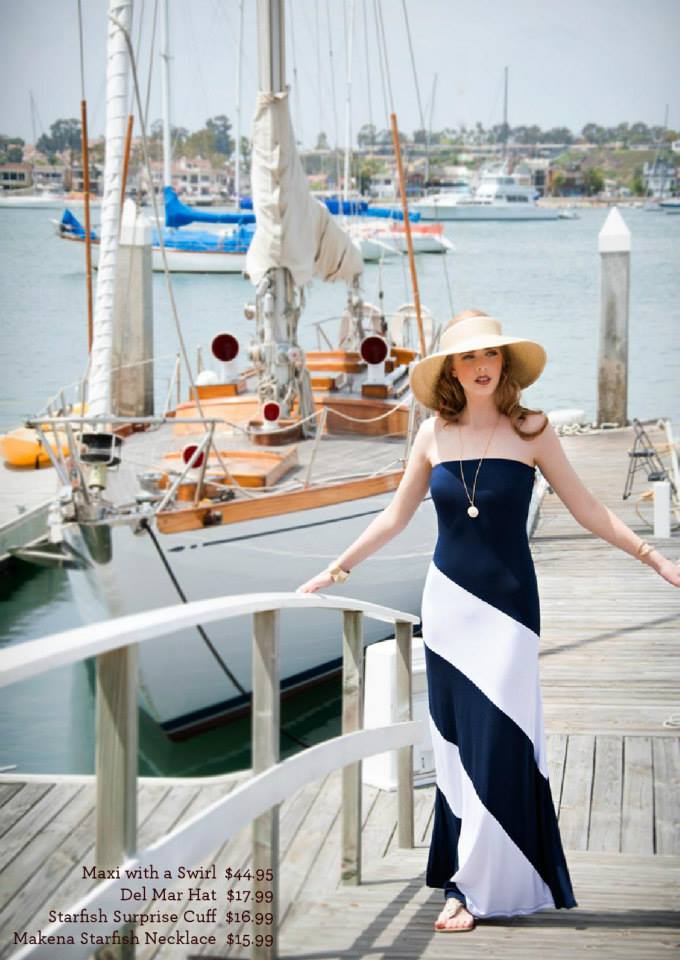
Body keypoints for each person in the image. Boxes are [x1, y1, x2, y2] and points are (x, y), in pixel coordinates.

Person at [295, 309, 680, 932]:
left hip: (508, 611)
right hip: (448, 607)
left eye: (490, 354)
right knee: (456, 747)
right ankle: (464, 885)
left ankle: (498, 880)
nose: (480, 366)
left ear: (505, 363)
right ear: (451, 369)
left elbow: (586, 507)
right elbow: (394, 517)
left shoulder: (532, 430)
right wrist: (337, 569)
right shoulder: (431, 435)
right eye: (468, 357)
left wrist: (653, 557)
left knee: (502, 741)